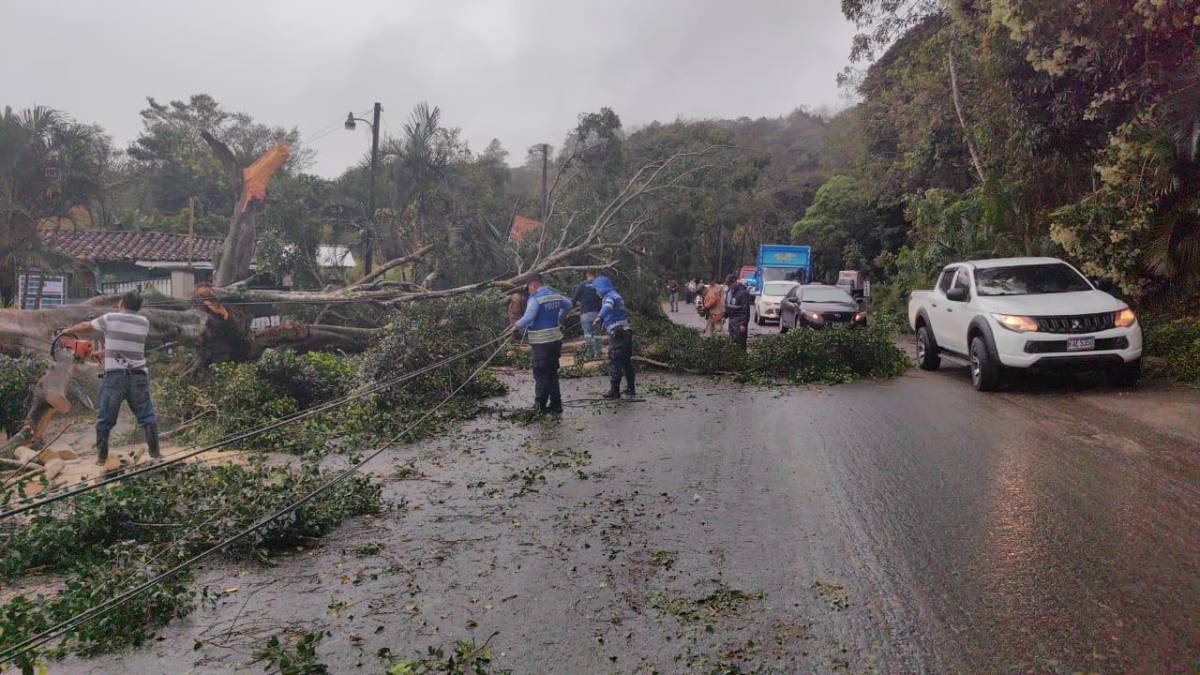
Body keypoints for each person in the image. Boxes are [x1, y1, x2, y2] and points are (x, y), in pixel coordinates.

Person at [62, 290, 160, 467]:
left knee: (104, 419)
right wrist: (104, 353)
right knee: (147, 416)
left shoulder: (111, 318)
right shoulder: (144, 322)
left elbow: (86, 326)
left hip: (115, 377)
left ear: (121, 303)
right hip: (138, 377)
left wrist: (67, 331)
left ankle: (101, 458)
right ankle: (156, 453)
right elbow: (125, 345)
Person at [514, 273, 570, 413]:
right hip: (555, 341)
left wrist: (516, 325)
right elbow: (568, 304)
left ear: (533, 284)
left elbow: (529, 316)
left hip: (541, 342)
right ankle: (556, 404)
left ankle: (540, 406)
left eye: (529, 288)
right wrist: (559, 318)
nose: (529, 291)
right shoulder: (555, 295)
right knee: (552, 372)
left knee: (540, 373)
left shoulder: (535, 298)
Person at [591, 275, 636, 400]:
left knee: (615, 361)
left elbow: (607, 307)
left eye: (597, 289)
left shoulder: (609, 297)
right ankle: (631, 388)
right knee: (626, 362)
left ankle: (614, 391)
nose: (596, 292)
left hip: (618, 334)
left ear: (602, 288)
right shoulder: (617, 295)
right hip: (626, 332)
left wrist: (599, 317)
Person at [571, 270, 603, 360]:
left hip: (585, 313)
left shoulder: (582, 285)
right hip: (597, 314)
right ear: (595, 275)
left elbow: (574, 299)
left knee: (588, 334)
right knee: (597, 334)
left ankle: (589, 354)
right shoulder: (599, 285)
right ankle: (598, 353)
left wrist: (569, 307)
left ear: (587, 275)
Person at [724, 273, 751, 349]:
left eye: (730, 284)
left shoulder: (743, 293)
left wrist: (743, 324)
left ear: (735, 282)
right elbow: (729, 306)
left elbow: (745, 310)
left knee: (740, 344)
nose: (729, 286)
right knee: (733, 343)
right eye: (728, 284)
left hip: (739, 322)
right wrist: (724, 315)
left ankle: (742, 360)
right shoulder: (730, 291)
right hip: (732, 322)